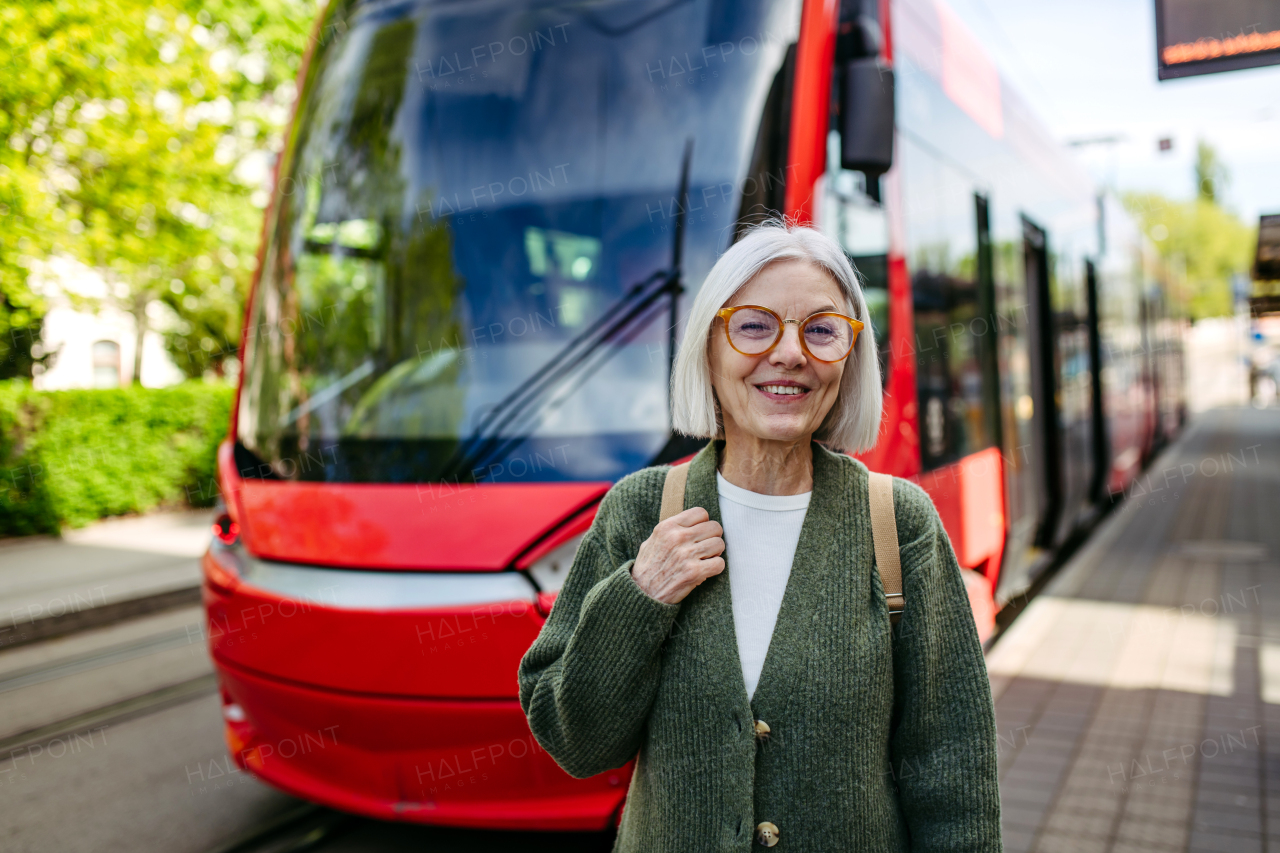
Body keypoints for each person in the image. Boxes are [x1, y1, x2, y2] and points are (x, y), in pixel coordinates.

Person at [518, 223, 1001, 851]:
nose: (790, 354)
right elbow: (576, 741)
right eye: (754, 326)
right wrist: (640, 596)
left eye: (822, 330)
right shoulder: (639, 512)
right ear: (709, 347)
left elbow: (952, 770)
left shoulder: (900, 524)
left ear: (849, 357)